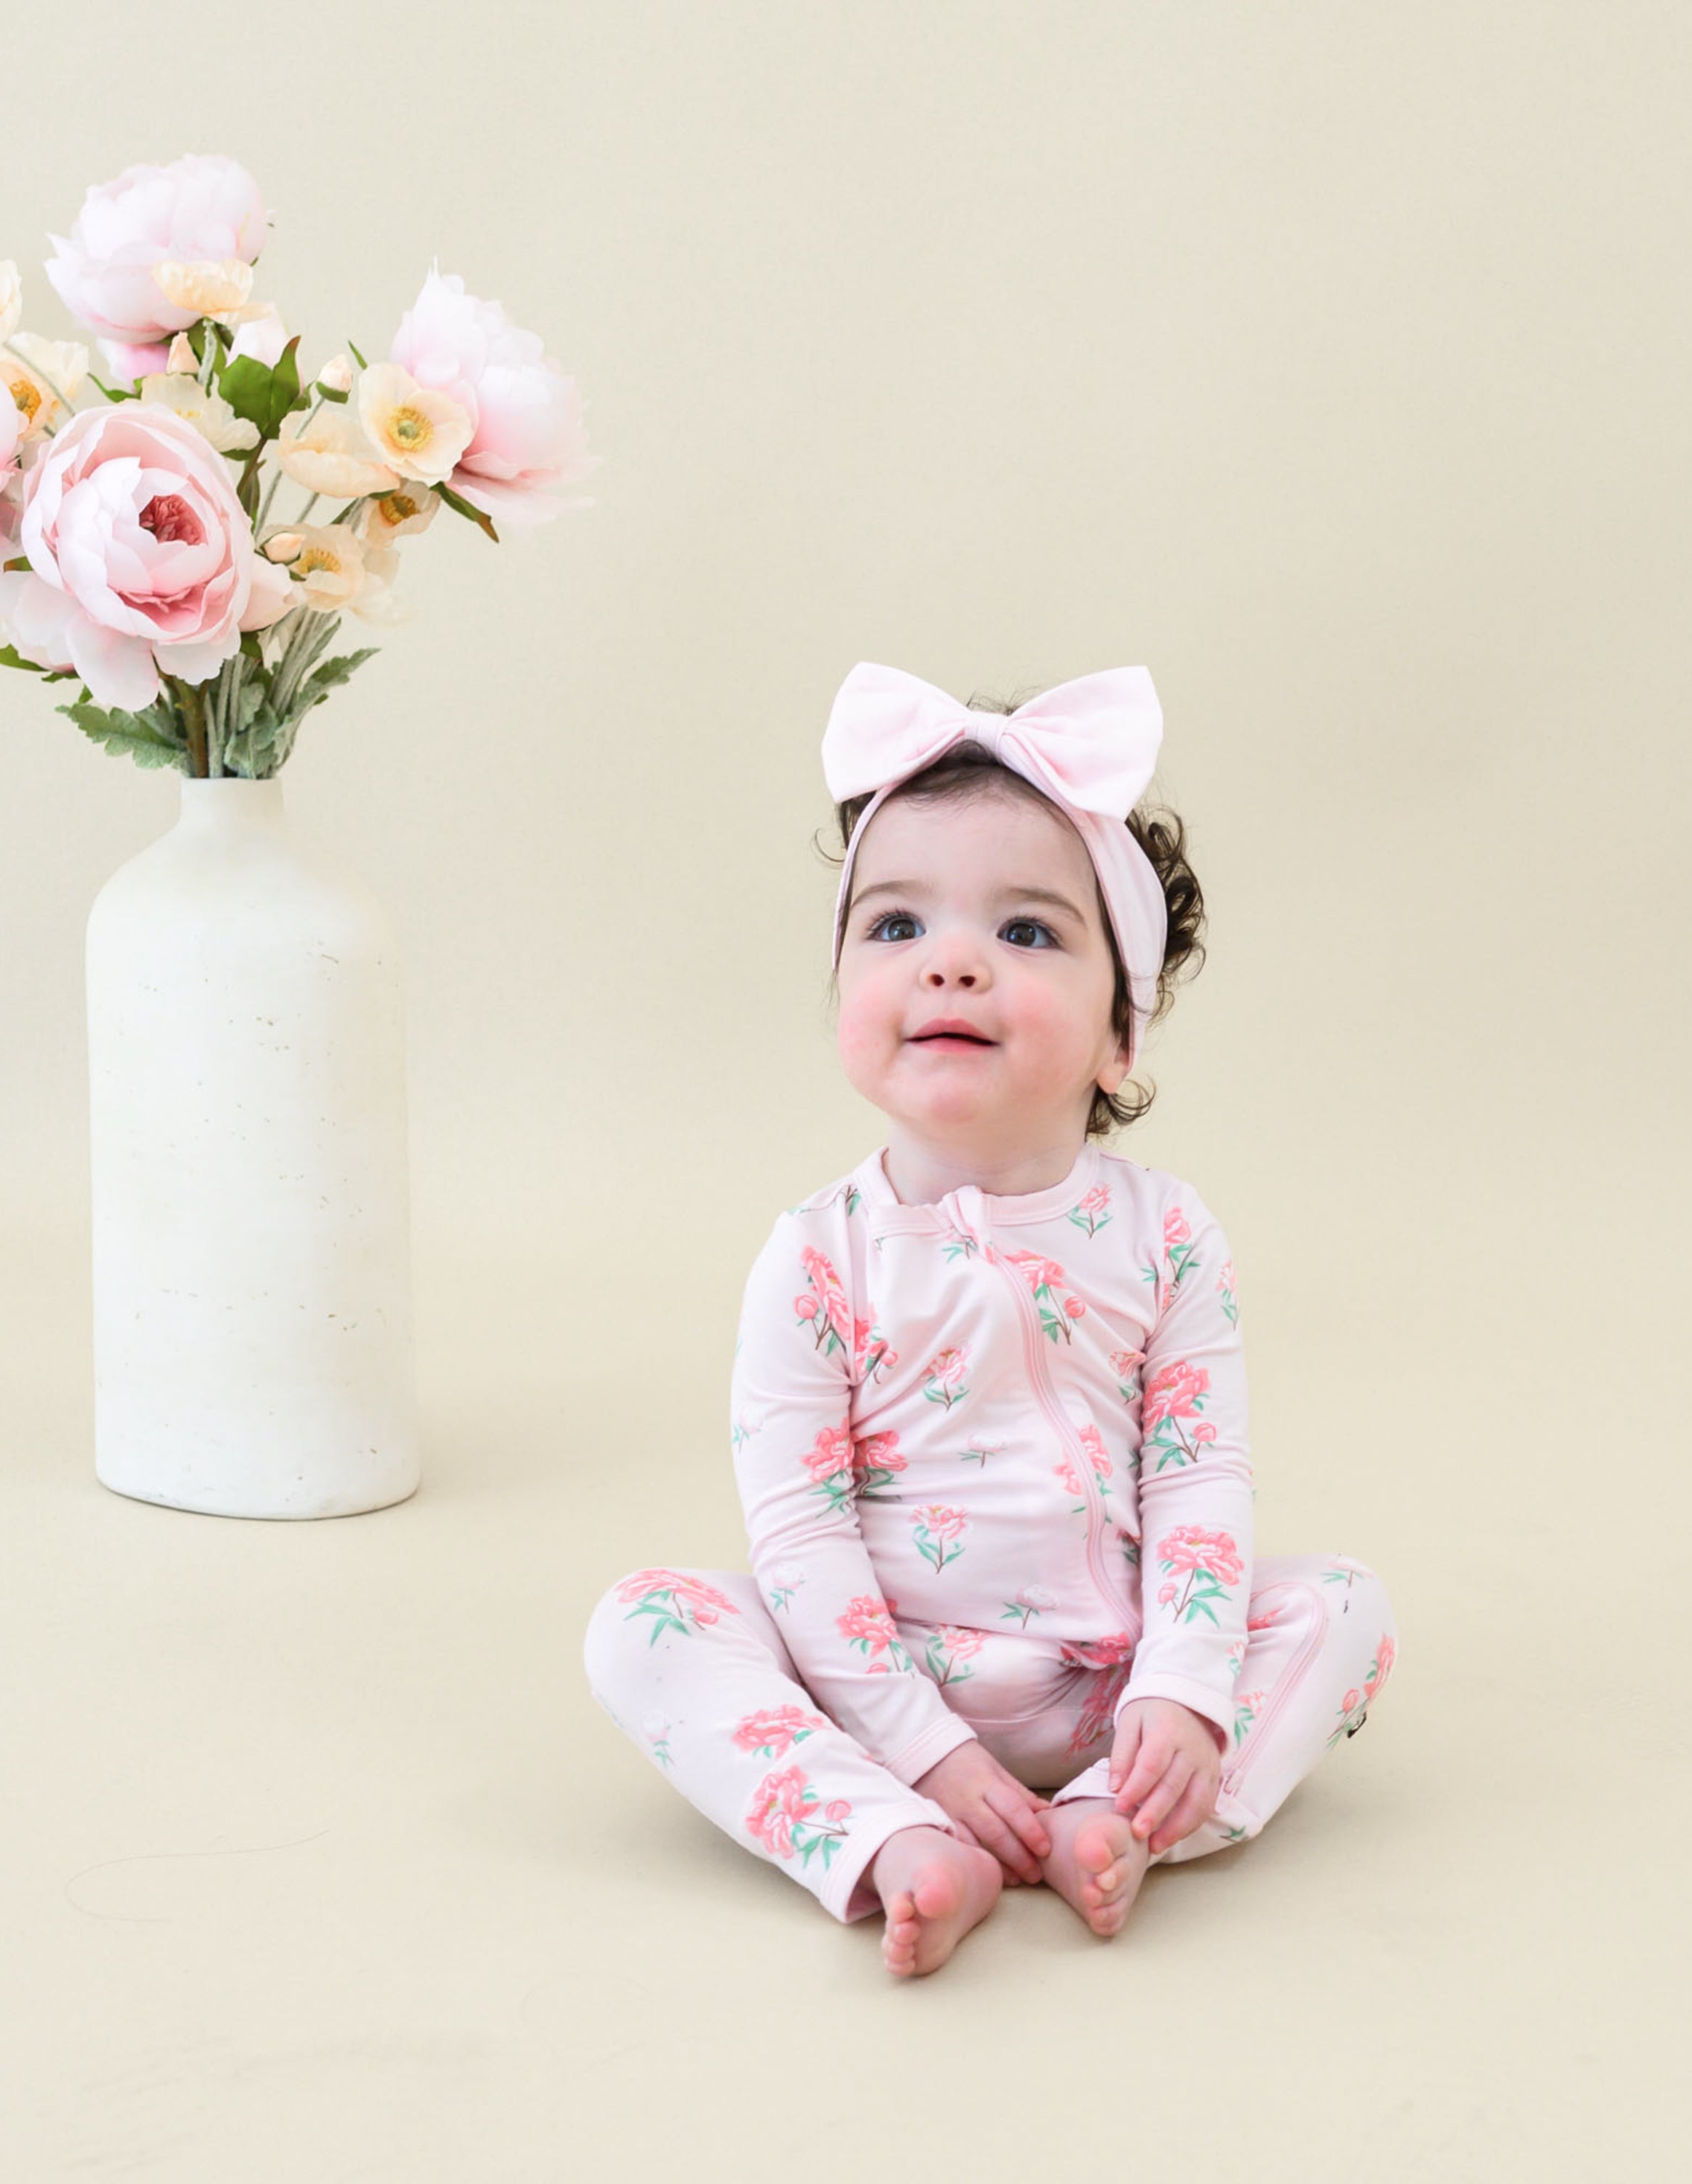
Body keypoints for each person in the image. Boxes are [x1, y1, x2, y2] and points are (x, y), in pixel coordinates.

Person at [582, 662, 1397, 1976]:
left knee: (1345, 1609)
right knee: (642, 1626)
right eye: (896, 927)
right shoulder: (816, 1258)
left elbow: (1199, 1477)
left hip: (1109, 1684)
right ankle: (895, 1840)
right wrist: (923, 1748)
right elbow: (798, 1526)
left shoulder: (1168, 1233)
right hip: (874, 1686)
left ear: (1119, 1036)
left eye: (1025, 933)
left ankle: (1111, 1814)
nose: (951, 961)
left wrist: (1183, 1689)